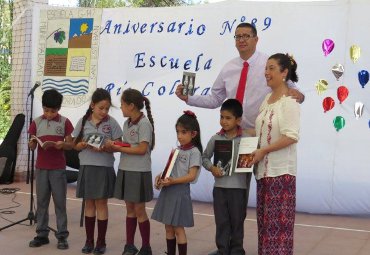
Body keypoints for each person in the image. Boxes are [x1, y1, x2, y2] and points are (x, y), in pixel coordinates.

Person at [175, 22, 304, 255]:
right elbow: (215, 98)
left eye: (247, 36)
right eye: (238, 36)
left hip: (261, 140)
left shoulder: (269, 65)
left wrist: (299, 95)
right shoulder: (228, 68)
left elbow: (291, 88)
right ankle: (231, 248)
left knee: (266, 197)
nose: (242, 40)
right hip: (234, 140)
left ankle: (264, 247)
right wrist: (188, 98)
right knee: (233, 198)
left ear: (256, 39)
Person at [249, 53, 300, 255]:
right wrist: (237, 132)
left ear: (284, 72)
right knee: (265, 229)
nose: (266, 73)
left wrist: (264, 150)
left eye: (271, 68)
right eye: (266, 68)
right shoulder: (267, 100)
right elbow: (260, 131)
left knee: (278, 232)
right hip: (263, 173)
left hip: (281, 175)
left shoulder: (289, 102)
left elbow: (291, 136)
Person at [73, 88, 123, 255]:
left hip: (104, 167)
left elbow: (119, 145)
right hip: (87, 166)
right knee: (89, 204)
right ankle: (89, 240)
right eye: (101, 108)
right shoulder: (83, 121)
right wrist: (85, 144)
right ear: (92, 105)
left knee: (101, 204)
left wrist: (108, 146)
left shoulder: (112, 123)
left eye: (107, 109)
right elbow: (75, 144)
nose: (104, 112)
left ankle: (101, 242)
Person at [110, 88, 155, 255]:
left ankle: (146, 247)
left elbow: (142, 149)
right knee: (129, 210)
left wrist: (119, 148)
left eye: (122, 105)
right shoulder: (126, 123)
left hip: (139, 171)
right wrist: (114, 145)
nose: (120, 108)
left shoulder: (144, 124)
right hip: (125, 169)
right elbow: (127, 145)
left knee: (139, 210)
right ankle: (129, 245)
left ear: (131, 106)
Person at [151, 110, 203, 255]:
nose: (179, 136)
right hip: (168, 191)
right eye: (178, 132)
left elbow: (191, 176)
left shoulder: (195, 152)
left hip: (180, 194)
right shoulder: (177, 150)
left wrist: (173, 181)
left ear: (193, 134)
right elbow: (170, 171)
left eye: (183, 132)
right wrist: (160, 177)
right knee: (168, 227)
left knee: (178, 229)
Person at [28, 89, 74, 250]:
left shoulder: (65, 122)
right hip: (41, 168)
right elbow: (32, 145)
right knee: (41, 202)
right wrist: (32, 144)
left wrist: (63, 144)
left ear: (59, 109)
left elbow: (71, 144)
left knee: (60, 203)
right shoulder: (36, 122)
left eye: (53, 111)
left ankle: (62, 236)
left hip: (58, 169)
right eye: (46, 110)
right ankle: (42, 234)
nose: (49, 114)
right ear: (42, 107)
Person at [202, 99, 248, 255]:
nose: (224, 121)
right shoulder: (216, 138)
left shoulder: (247, 140)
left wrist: (251, 161)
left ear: (238, 120)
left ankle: (236, 250)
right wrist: (211, 168)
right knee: (221, 221)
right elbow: (204, 157)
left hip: (239, 188)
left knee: (237, 221)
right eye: (221, 117)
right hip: (220, 188)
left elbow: (254, 160)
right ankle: (222, 250)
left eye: (228, 118)